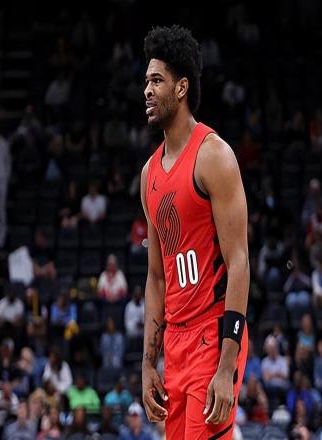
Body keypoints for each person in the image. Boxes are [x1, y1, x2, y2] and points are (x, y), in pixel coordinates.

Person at [140, 25, 249, 439]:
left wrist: (227, 365)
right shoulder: (148, 174)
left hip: (212, 333)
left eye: (157, 81)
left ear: (181, 87)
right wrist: (148, 363)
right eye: (146, 81)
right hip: (175, 343)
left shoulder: (213, 156)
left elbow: (239, 261)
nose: (147, 90)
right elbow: (156, 276)